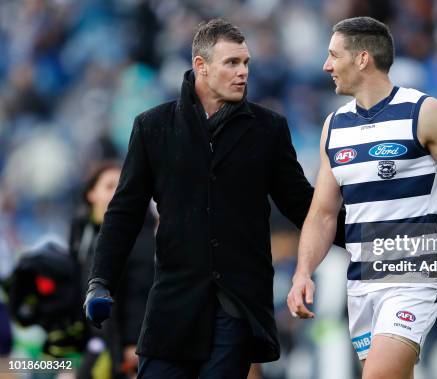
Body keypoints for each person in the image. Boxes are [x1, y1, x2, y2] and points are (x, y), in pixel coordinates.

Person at [84, 19, 344, 379]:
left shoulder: (268, 129)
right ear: (201, 67)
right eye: (232, 63)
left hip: (236, 305)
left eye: (246, 63)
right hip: (173, 306)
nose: (243, 73)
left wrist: (368, 239)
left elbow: (302, 204)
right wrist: (101, 281)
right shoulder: (153, 127)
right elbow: (124, 212)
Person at [287, 17, 437, 379]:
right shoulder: (334, 127)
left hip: (412, 278)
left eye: (333, 55)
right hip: (359, 282)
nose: (326, 65)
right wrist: (302, 273)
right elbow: (323, 214)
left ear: (362, 58)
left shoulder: (425, 113)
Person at [71, 161, 155, 378]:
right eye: (109, 186)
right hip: (111, 349)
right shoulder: (83, 238)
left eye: (122, 184)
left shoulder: (147, 235)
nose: (118, 191)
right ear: (91, 194)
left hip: (142, 346)